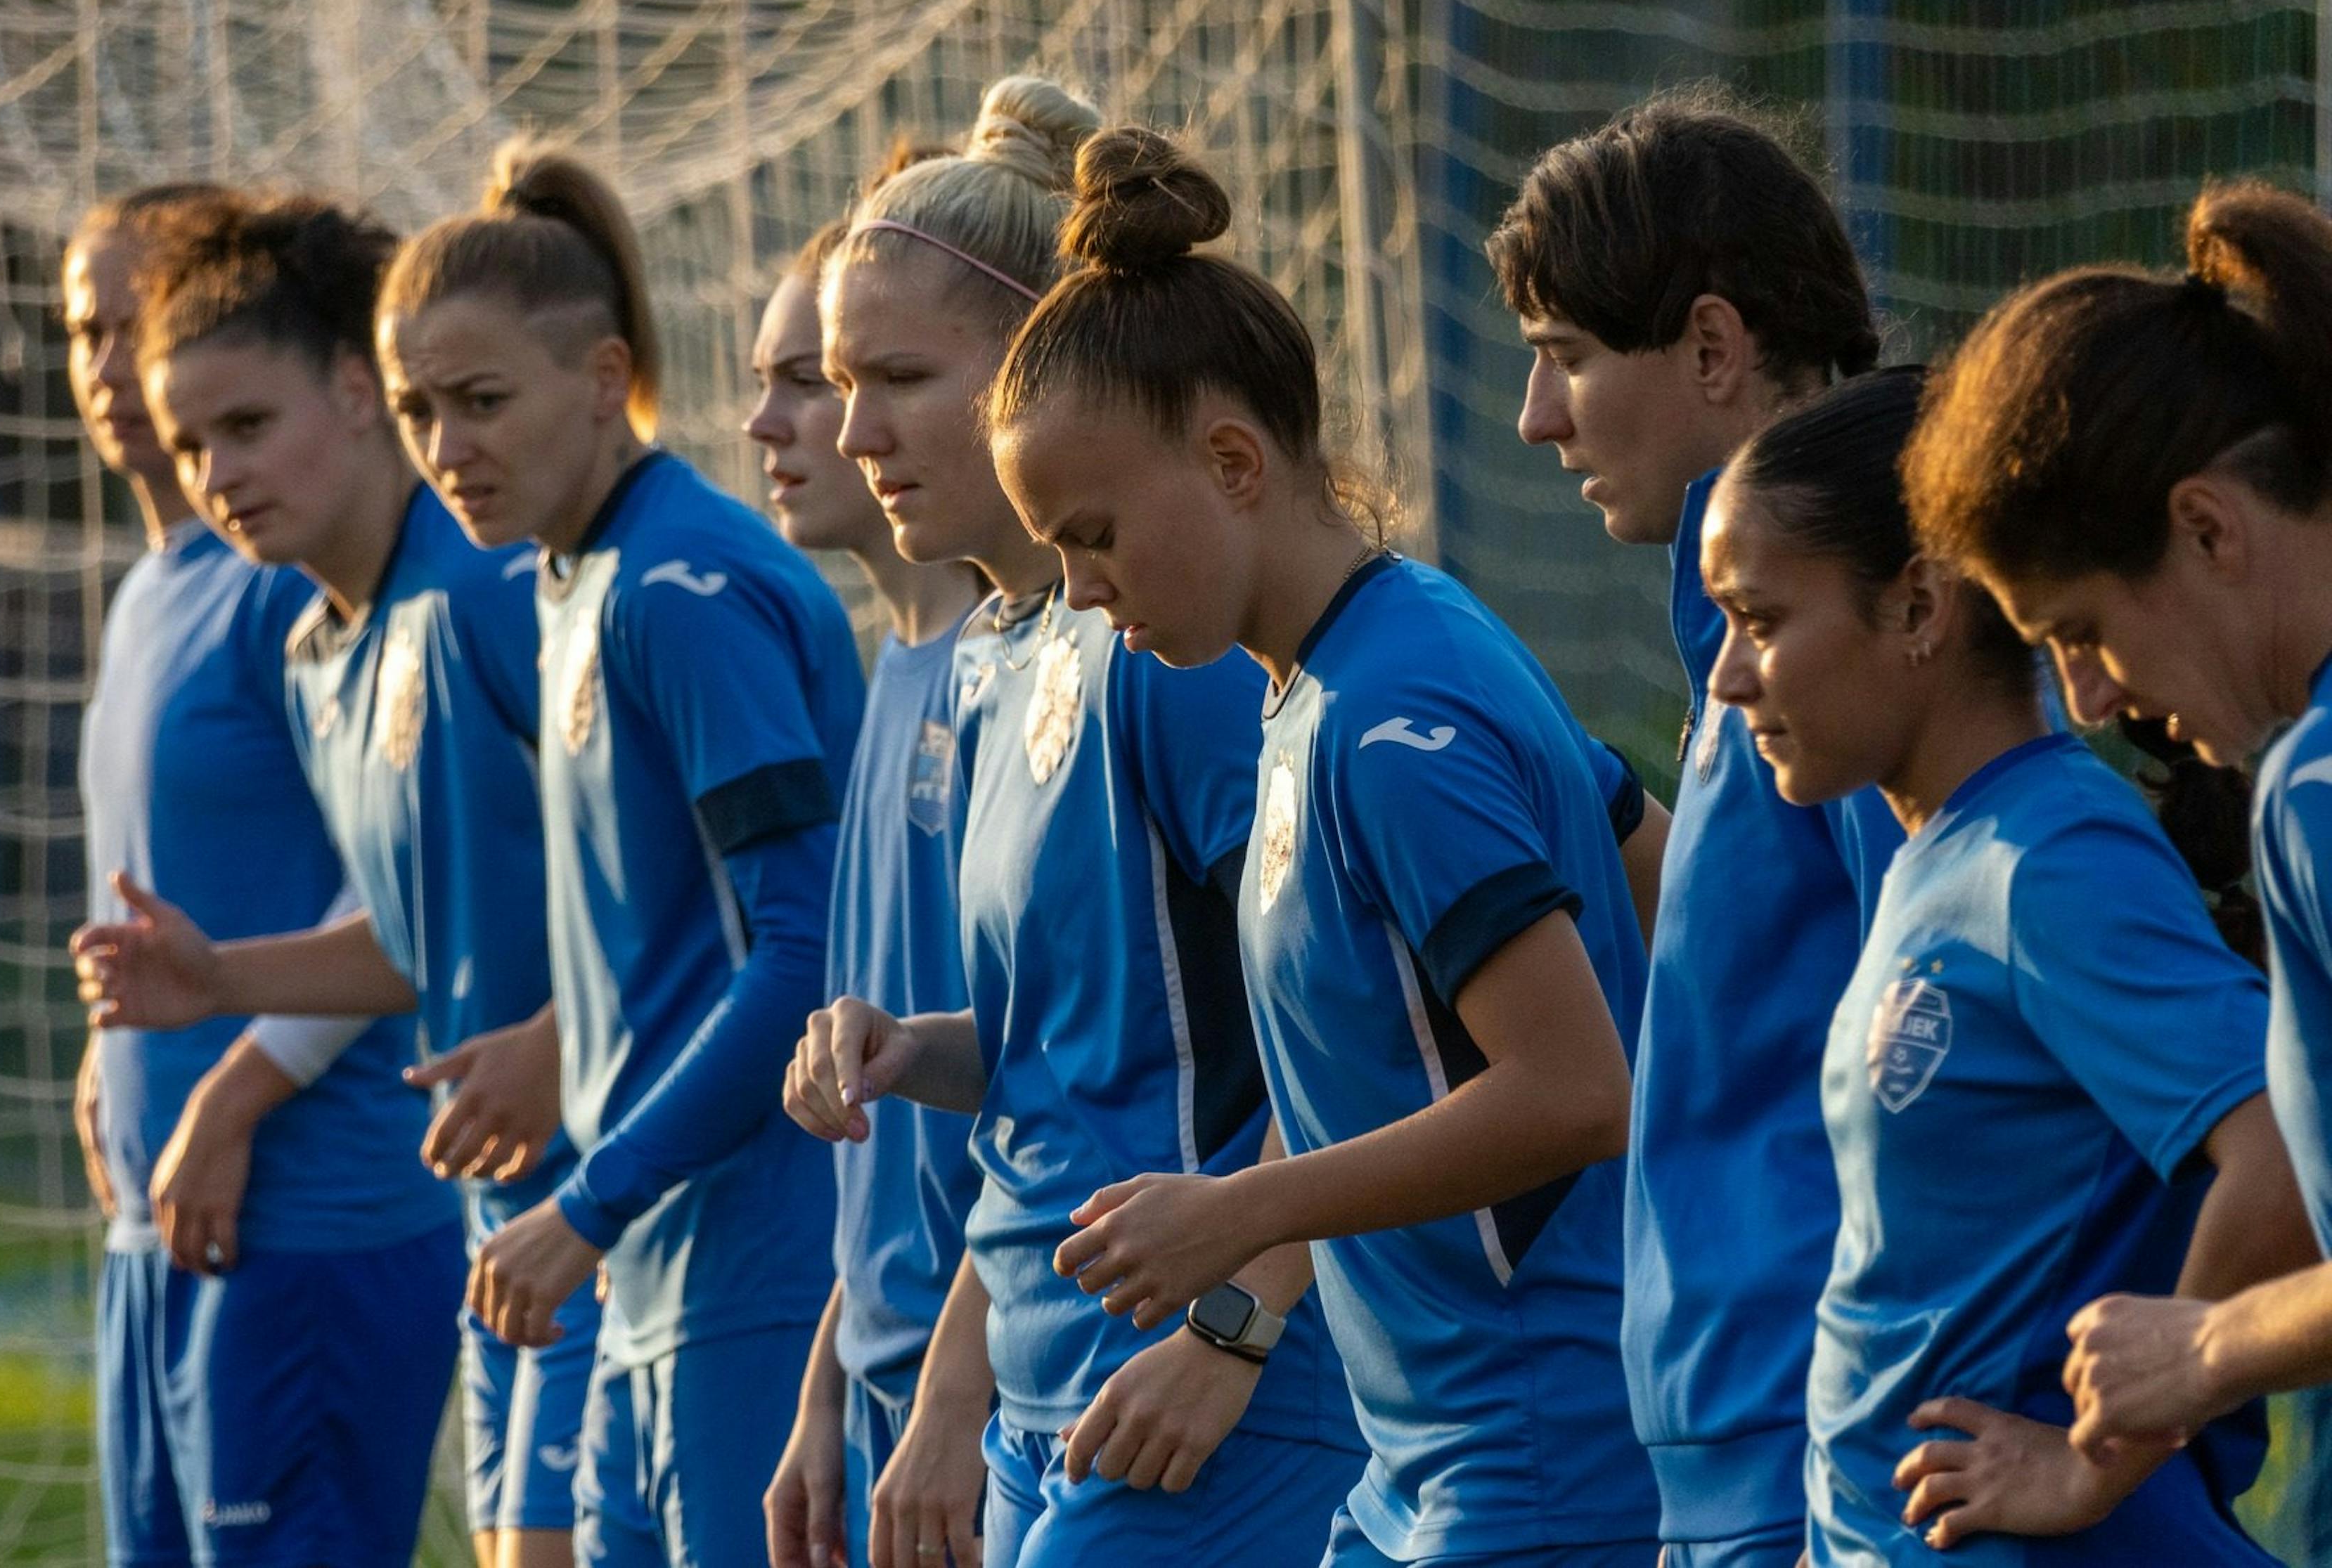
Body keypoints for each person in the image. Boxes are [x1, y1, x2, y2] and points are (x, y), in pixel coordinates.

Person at [971, 125, 1658, 1567]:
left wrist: (1242, 1214)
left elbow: (1576, 1089)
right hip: (1416, 1466)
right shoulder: (1320, 687)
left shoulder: (1398, 712)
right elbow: (1642, 848)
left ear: (1231, 460)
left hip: (1538, 1455)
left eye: (1093, 537)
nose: (1083, 594)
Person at [783, 79, 1371, 1568]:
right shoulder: (1000, 650)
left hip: (1206, 1404)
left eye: (898, 377)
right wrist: (915, 1051)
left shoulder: (1174, 660)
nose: (853, 431)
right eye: (839, 383)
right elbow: (1076, 1060)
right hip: (1048, 1406)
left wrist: (1237, 1324)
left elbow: (1377, 1026)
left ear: (1034, 358)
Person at [1703, 366, 2313, 1562]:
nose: (1728, 676)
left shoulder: (2053, 858)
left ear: (1922, 606)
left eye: (1763, 621)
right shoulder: (1941, 849)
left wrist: (2098, 1459)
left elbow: (2282, 1151)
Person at [66, 190, 579, 1568]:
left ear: (356, 389)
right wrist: (208, 987)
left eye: (243, 423)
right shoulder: (319, 629)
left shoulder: (477, 594)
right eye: (195, 439)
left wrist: (558, 1044)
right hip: (488, 1211)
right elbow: (427, 925)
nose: (212, 466)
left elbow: (710, 908)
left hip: (522, 1209)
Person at [380, 141, 864, 1568]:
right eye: (418, 411)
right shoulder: (565, 574)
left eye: (482, 403)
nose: (448, 448)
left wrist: (587, 1199)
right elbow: (670, 929)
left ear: (603, 380)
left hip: (756, 1255)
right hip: (649, 1257)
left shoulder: (684, 586)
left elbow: (802, 945)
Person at [1485, 86, 1901, 1567]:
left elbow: (1956, 1011)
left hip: (1819, 1442)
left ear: (1714, 349)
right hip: (1735, 1439)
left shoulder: (1858, 628)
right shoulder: (1740, 632)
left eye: (1569, 361)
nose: (1535, 419)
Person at [1900, 180, 2332, 1562]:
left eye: (2082, 629)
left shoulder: (2315, 788)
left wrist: (2208, 1344)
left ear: (2208, 529)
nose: (2090, 700)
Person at [746, 152, 998, 1568]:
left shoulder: (1026, 675)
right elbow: (883, 1074)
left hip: (1009, 1378)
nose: (788, 423)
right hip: (897, 1375)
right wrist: (832, 1375)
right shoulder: (890, 672)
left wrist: (952, 1388)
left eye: (827, 377)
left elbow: (1070, 1075)